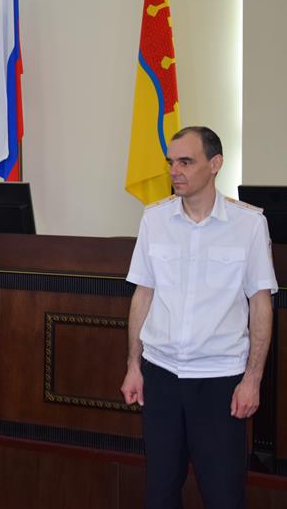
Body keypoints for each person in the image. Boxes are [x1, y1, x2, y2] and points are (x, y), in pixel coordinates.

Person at [120, 126, 277, 509]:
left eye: (186, 162)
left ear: (215, 163)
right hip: (161, 375)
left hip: (219, 380)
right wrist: (134, 365)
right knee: (160, 491)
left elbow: (260, 305)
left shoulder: (248, 224)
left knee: (223, 494)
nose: (175, 170)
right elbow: (143, 294)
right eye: (171, 162)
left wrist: (253, 380)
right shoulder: (154, 219)